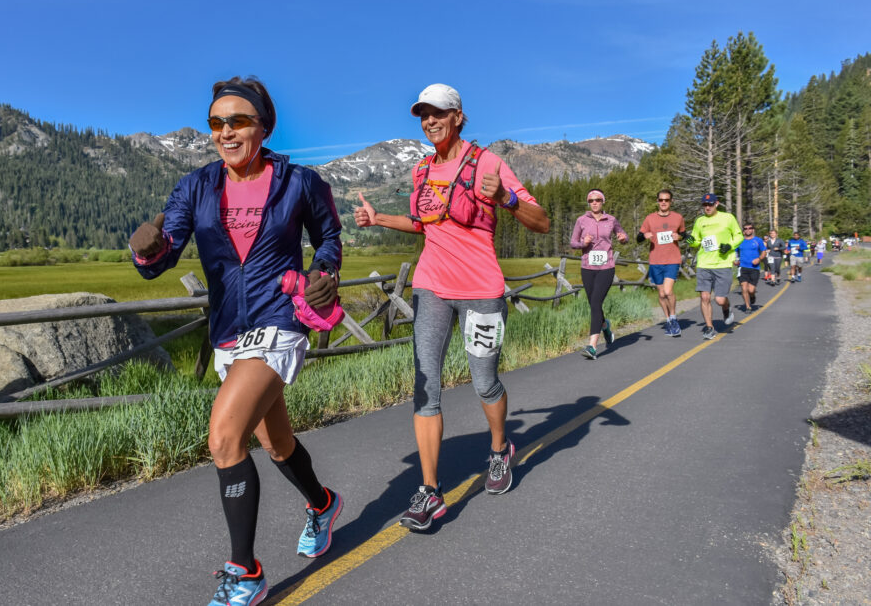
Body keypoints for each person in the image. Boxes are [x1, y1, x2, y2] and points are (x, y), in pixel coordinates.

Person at [129, 77, 344, 606]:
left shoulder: (299, 181)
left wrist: (324, 272)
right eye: (217, 122)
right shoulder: (196, 186)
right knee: (275, 442)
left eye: (239, 121)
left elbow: (330, 237)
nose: (226, 131)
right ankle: (322, 504)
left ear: (263, 126)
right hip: (229, 329)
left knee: (225, 437)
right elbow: (166, 251)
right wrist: (147, 250)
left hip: (280, 319)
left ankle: (244, 571)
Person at [353, 83, 549, 531]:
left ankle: (500, 449)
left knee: (484, 382)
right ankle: (430, 491)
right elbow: (424, 225)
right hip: (431, 288)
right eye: (423, 114)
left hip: (482, 289)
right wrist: (379, 218)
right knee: (426, 387)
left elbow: (541, 222)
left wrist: (506, 198)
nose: (429, 121)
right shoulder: (422, 170)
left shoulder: (489, 164)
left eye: (438, 112)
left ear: (459, 115)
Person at [572, 189, 629, 357]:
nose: (594, 203)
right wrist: (584, 242)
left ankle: (592, 346)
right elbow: (573, 242)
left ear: (603, 201)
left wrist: (623, 238)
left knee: (596, 303)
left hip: (606, 267)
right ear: (588, 203)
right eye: (591, 200)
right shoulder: (581, 220)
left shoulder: (611, 220)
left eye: (597, 200)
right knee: (594, 304)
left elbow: (623, 234)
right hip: (587, 268)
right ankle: (605, 326)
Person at [685, 193, 743, 340]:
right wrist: (691, 241)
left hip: (722, 264)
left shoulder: (728, 218)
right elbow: (697, 241)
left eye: (710, 204)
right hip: (704, 263)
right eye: (704, 205)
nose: (707, 207)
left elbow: (739, 236)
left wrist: (729, 246)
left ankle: (726, 308)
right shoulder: (700, 221)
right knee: (704, 297)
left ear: (716, 204)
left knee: (720, 300)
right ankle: (709, 327)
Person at [637, 189, 686, 337]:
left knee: (668, 291)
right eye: (661, 200)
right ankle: (668, 320)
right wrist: (644, 236)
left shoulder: (678, 218)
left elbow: (686, 235)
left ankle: (674, 318)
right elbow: (638, 238)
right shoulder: (650, 218)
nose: (663, 202)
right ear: (657, 201)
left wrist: (680, 237)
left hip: (672, 259)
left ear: (671, 202)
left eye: (666, 200)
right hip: (655, 261)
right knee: (661, 293)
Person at [734, 221, 766, 313]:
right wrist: (735, 260)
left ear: (753, 230)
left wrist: (759, 259)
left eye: (750, 228)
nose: (748, 230)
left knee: (751, 290)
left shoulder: (758, 240)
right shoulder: (740, 241)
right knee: (744, 288)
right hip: (742, 267)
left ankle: (752, 296)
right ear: (743, 231)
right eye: (745, 228)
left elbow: (764, 251)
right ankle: (748, 307)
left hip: (754, 268)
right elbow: (734, 252)